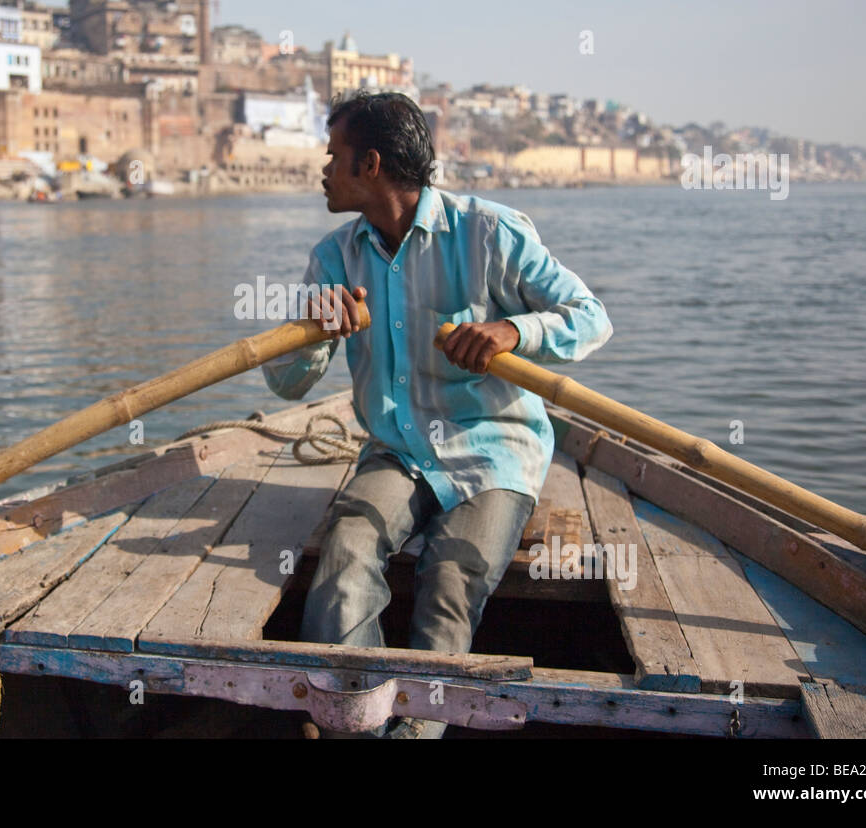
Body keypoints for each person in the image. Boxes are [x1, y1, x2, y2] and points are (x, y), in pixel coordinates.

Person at [261, 90, 613, 738]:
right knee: (346, 554)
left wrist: (513, 332)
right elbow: (284, 386)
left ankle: (419, 734)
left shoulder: (490, 232)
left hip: (494, 447)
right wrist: (315, 332)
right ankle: (350, 722)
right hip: (396, 448)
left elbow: (592, 317)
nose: (322, 170)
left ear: (369, 164)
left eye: (332, 155)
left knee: (452, 576)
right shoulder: (335, 257)